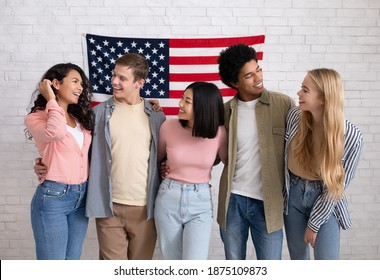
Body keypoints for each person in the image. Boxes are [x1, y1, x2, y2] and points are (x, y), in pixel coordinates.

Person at [217, 43, 295, 260]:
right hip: (233, 201)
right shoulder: (225, 111)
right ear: (235, 83)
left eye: (258, 69)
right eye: (249, 75)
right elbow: (210, 154)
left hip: (268, 204)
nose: (258, 77)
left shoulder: (284, 104)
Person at [85, 53, 166, 260]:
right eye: (114, 75)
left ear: (140, 82)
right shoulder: (98, 113)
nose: (114, 81)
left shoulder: (156, 115)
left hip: (145, 208)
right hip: (109, 205)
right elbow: (79, 151)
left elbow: (166, 155)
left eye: (122, 78)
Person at [283, 68, 363, 260]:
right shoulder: (295, 117)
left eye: (305, 90)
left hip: (326, 199)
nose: (298, 93)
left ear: (324, 98)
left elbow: (338, 186)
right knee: (298, 262)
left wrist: (314, 223)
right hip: (293, 195)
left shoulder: (351, 136)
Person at [24, 63, 95, 259]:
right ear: (55, 83)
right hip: (53, 198)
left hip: (81, 197)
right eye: (74, 81)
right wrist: (50, 99)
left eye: (81, 83)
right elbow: (55, 132)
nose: (80, 88)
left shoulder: (79, 119)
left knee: (71, 262)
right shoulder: (37, 118)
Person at [155, 81, 228, 260]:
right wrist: (162, 166)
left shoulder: (219, 133)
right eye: (182, 98)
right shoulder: (168, 127)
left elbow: (230, 162)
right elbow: (154, 160)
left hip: (200, 202)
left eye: (187, 101)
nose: (180, 103)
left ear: (203, 107)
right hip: (168, 198)